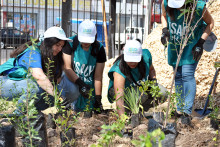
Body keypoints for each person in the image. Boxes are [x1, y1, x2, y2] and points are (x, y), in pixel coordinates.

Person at [161, 0, 214, 122]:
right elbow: (163, 16)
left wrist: (201, 42)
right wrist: (165, 30)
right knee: (178, 76)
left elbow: (210, 23)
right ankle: (180, 110)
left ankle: (187, 111)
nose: (179, 9)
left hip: (192, 46)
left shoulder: (199, 7)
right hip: (175, 45)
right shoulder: (166, 3)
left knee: (187, 74)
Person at [0, 26, 72, 114]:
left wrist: (60, 97)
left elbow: (55, 80)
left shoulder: (52, 56)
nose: (60, 49)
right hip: (5, 83)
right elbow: (39, 77)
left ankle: (32, 113)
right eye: (57, 45)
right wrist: (58, 97)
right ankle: (18, 117)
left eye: (61, 46)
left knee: (58, 92)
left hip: (22, 85)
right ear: (48, 43)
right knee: (36, 87)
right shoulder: (32, 52)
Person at [107, 40, 167, 117]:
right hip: (121, 91)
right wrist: (122, 118)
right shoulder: (119, 69)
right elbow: (119, 95)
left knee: (163, 92)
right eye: (129, 60)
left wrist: (153, 82)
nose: (132, 63)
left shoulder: (146, 56)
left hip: (138, 88)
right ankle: (128, 110)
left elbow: (151, 70)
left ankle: (138, 110)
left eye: (135, 60)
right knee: (142, 95)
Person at [61, 20, 107, 113]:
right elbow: (67, 68)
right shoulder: (70, 44)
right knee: (71, 113)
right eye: (83, 40)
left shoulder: (99, 48)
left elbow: (98, 77)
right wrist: (81, 84)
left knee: (87, 113)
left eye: (89, 40)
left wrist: (98, 99)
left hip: (89, 88)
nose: (86, 43)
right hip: (72, 84)